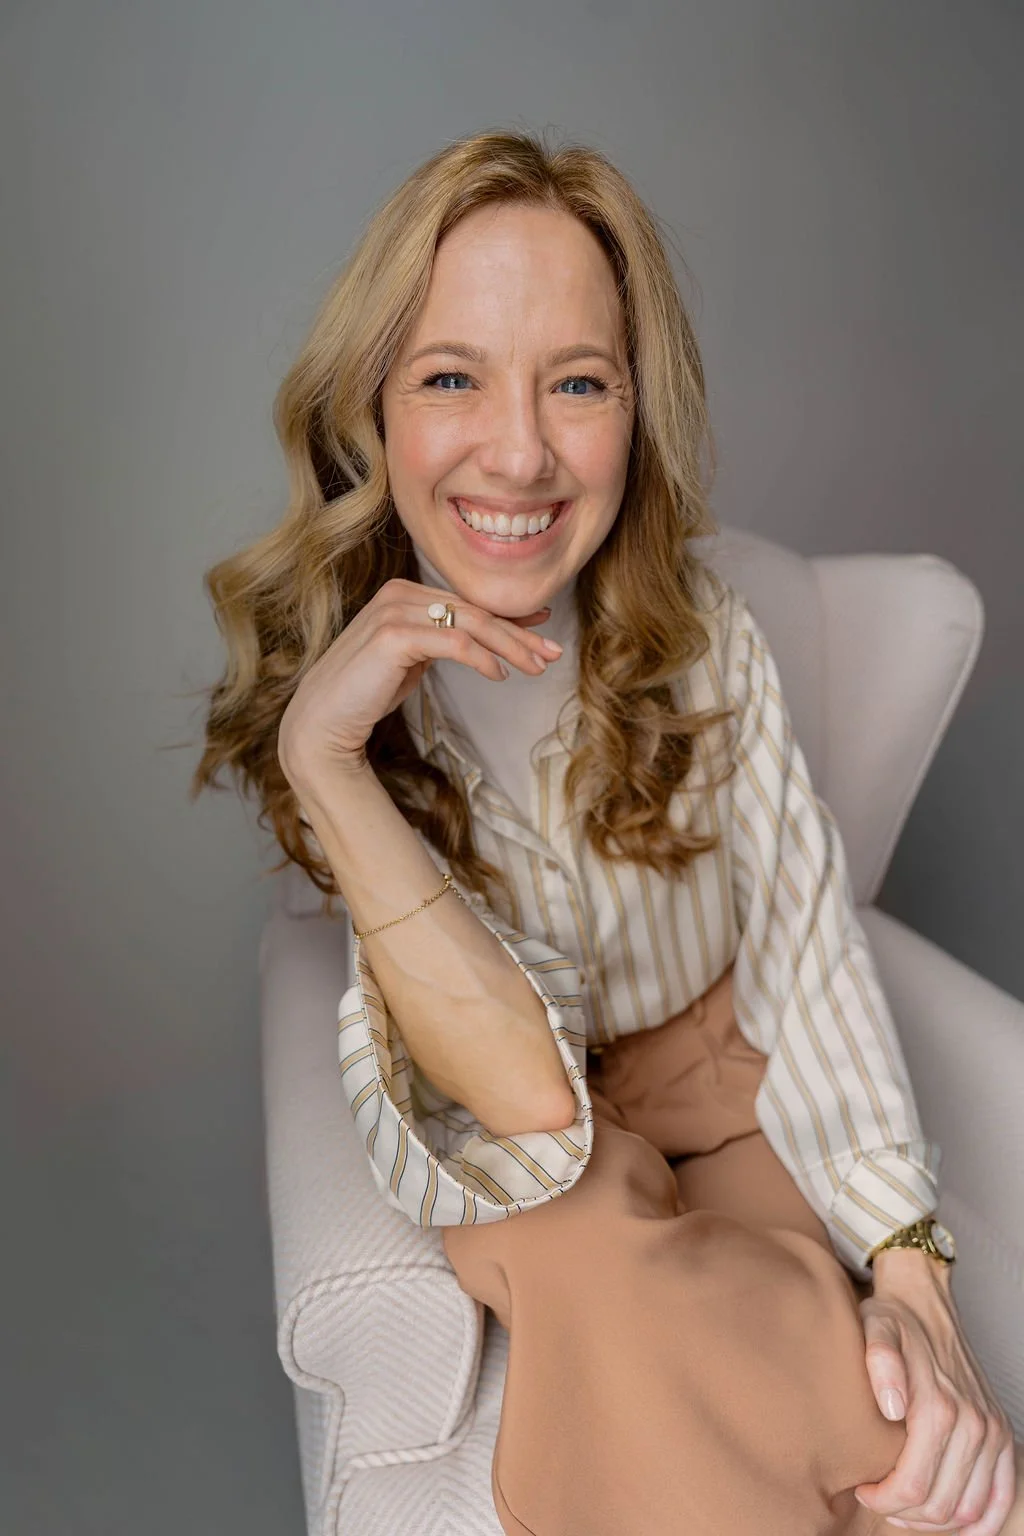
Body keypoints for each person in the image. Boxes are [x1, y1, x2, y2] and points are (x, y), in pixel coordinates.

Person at [191, 128, 1022, 1536]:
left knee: (869, 1366)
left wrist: (914, 1280)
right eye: (451, 378)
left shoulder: (708, 639)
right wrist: (325, 766)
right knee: (590, 1266)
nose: (518, 452)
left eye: (576, 383)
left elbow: (813, 960)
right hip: (534, 1115)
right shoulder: (340, 705)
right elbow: (519, 1105)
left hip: (727, 1062)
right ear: (373, 413)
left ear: (635, 417)